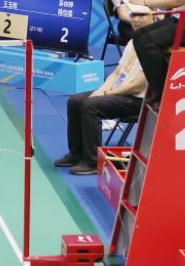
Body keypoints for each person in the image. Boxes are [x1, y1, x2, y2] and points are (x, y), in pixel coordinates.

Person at [54, 38, 147, 174]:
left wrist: (107, 93)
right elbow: (116, 73)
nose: (135, 24)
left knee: (91, 105)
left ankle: (92, 162)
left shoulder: (151, 47)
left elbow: (136, 86)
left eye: (141, 18)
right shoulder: (133, 42)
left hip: (138, 100)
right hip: (119, 92)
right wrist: (101, 91)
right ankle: (76, 154)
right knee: (75, 101)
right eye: (134, 17)